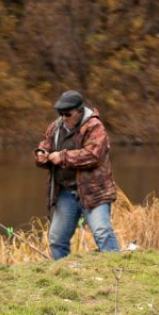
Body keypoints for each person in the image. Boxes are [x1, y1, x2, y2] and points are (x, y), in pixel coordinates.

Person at [34, 90, 121, 260]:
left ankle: (116, 269)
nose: (63, 117)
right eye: (60, 113)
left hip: (94, 192)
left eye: (67, 113)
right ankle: (62, 273)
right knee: (57, 240)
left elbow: (94, 155)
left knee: (102, 232)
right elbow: (45, 144)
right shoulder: (55, 127)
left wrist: (62, 157)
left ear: (79, 111)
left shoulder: (95, 127)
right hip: (65, 193)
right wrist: (41, 154)